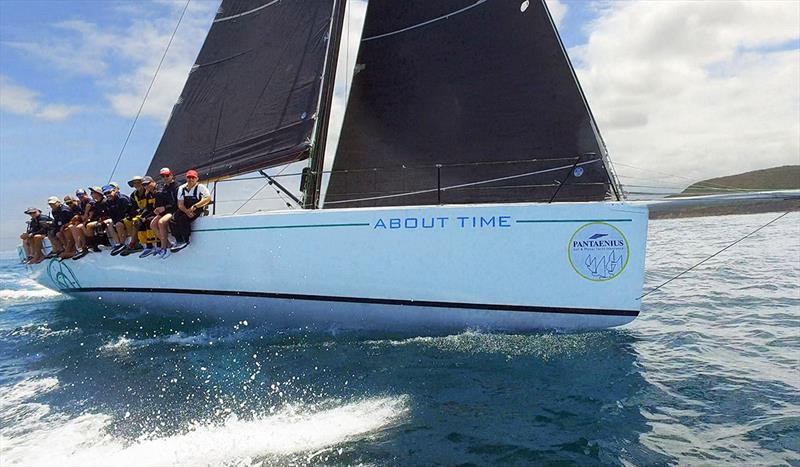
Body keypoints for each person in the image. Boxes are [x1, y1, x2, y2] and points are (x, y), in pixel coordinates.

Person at [171, 170, 212, 252]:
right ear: (186, 178)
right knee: (173, 219)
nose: (191, 179)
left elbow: (208, 198)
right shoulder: (181, 188)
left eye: (193, 177)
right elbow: (180, 204)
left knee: (183, 218)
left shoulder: (200, 187)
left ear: (197, 178)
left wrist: (195, 206)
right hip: (185, 208)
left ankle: (186, 240)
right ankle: (179, 240)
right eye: (189, 177)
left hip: (197, 208)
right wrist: (187, 211)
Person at [150, 167, 179, 258]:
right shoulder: (163, 188)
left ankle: (164, 248)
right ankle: (168, 244)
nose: (165, 177)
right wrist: (158, 208)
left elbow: (177, 203)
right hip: (166, 211)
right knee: (153, 224)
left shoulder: (177, 186)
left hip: (175, 210)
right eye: (163, 176)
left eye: (167, 175)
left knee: (161, 222)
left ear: (171, 175)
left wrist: (164, 208)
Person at [104, 185, 133, 254]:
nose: (107, 195)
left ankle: (123, 244)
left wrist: (116, 222)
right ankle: (118, 244)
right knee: (109, 223)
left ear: (115, 191)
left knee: (118, 224)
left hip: (128, 217)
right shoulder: (107, 202)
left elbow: (123, 214)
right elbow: (111, 215)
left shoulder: (122, 199)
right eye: (105, 194)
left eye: (109, 192)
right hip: (118, 219)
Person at [135, 176, 160, 258]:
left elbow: (158, 207)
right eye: (144, 185)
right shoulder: (148, 194)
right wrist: (142, 216)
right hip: (153, 212)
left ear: (153, 182)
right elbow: (148, 208)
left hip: (161, 212)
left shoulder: (159, 191)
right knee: (139, 222)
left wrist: (147, 217)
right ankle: (148, 246)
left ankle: (159, 244)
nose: (146, 186)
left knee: (149, 220)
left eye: (147, 184)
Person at [83, 186, 113, 252]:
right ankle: (92, 244)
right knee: (87, 224)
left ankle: (105, 243)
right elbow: (95, 215)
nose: (91, 195)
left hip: (108, 220)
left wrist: (102, 219)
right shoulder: (96, 204)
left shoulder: (105, 202)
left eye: (92, 193)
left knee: (95, 225)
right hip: (100, 220)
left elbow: (109, 213)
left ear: (97, 193)